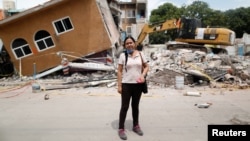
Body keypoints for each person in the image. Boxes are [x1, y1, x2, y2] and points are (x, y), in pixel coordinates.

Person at [117, 36, 149, 140]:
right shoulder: (123, 55)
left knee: (135, 106)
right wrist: (119, 85)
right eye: (127, 43)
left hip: (138, 85)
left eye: (131, 43)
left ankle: (136, 126)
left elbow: (147, 66)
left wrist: (142, 75)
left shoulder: (140, 54)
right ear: (125, 46)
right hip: (126, 84)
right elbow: (120, 71)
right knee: (124, 107)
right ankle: (121, 128)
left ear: (134, 43)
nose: (129, 45)